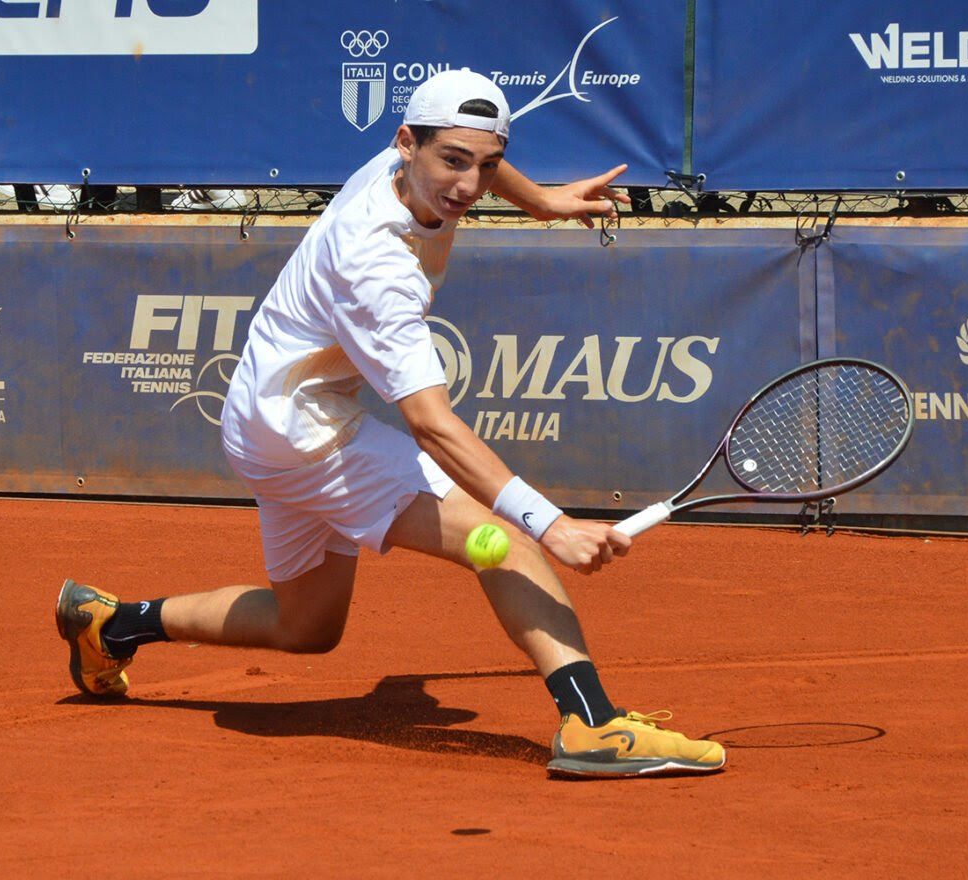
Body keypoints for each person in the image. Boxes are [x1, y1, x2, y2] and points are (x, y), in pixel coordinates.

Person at [56, 70, 725, 778]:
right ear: (409, 145)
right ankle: (593, 724)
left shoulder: (405, 161)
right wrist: (551, 524)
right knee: (506, 543)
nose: (468, 185)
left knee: (306, 627)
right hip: (308, 434)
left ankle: (112, 623)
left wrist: (540, 202)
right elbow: (432, 427)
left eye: (486, 164)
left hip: (265, 415)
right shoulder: (379, 268)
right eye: (452, 163)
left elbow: (472, 154)